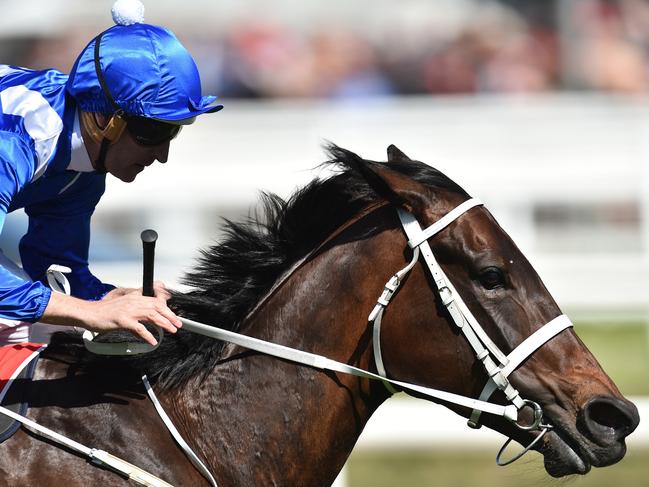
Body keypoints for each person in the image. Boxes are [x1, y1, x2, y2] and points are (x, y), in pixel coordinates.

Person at [0, 0, 222, 346]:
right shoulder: (19, 140)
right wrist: (90, 313)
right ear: (106, 119)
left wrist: (108, 298)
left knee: (48, 326)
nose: (162, 155)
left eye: (173, 131)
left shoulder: (84, 160)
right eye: (154, 132)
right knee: (22, 326)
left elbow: (52, 266)